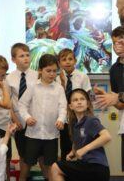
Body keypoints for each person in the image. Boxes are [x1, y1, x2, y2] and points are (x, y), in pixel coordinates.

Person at [18, 54, 67, 181]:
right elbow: (22, 104)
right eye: (48, 71)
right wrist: (27, 117)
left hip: (51, 135)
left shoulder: (59, 88)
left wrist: (61, 120)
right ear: (40, 70)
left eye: (54, 71)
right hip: (33, 134)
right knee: (27, 163)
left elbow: (63, 107)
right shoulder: (33, 87)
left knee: (50, 165)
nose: (52, 74)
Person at [51, 88, 111, 181]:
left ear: (87, 104)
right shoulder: (75, 125)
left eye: (82, 99)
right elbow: (79, 143)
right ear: (70, 106)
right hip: (85, 165)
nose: (79, 102)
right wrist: (72, 153)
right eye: (75, 100)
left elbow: (106, 136)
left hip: (96, 167)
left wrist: (84, 149)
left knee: (55, 167)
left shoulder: (91, 120)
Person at [6, 43, 39, 181]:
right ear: (13, 59)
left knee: (39, 153)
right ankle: (23, 178)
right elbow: (8, 104)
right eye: (21, 56)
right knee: (23, 154)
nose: (26, 58)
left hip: (35, 121)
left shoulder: (38, 75)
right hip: (19, 121)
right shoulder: (9, 78)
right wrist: (15, 120)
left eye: (27, 55)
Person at [95, 26, 124, 171]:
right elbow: (120, 105)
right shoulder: (114, 69)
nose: (118, 46)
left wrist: (118, 96)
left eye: (122, 41)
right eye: (114, 42)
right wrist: (109, 98)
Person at [56, 48, 92, 160]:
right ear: (59, 63)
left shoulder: (82, 76)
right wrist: (62, 83)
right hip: (65, 119)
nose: (67, 62)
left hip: (80, 118)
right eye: (64, 59)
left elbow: (87, 98)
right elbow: (59, 98)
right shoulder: (56, 78)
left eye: (70, 59)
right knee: (65, 148)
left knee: (82, 146)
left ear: (75, 61)